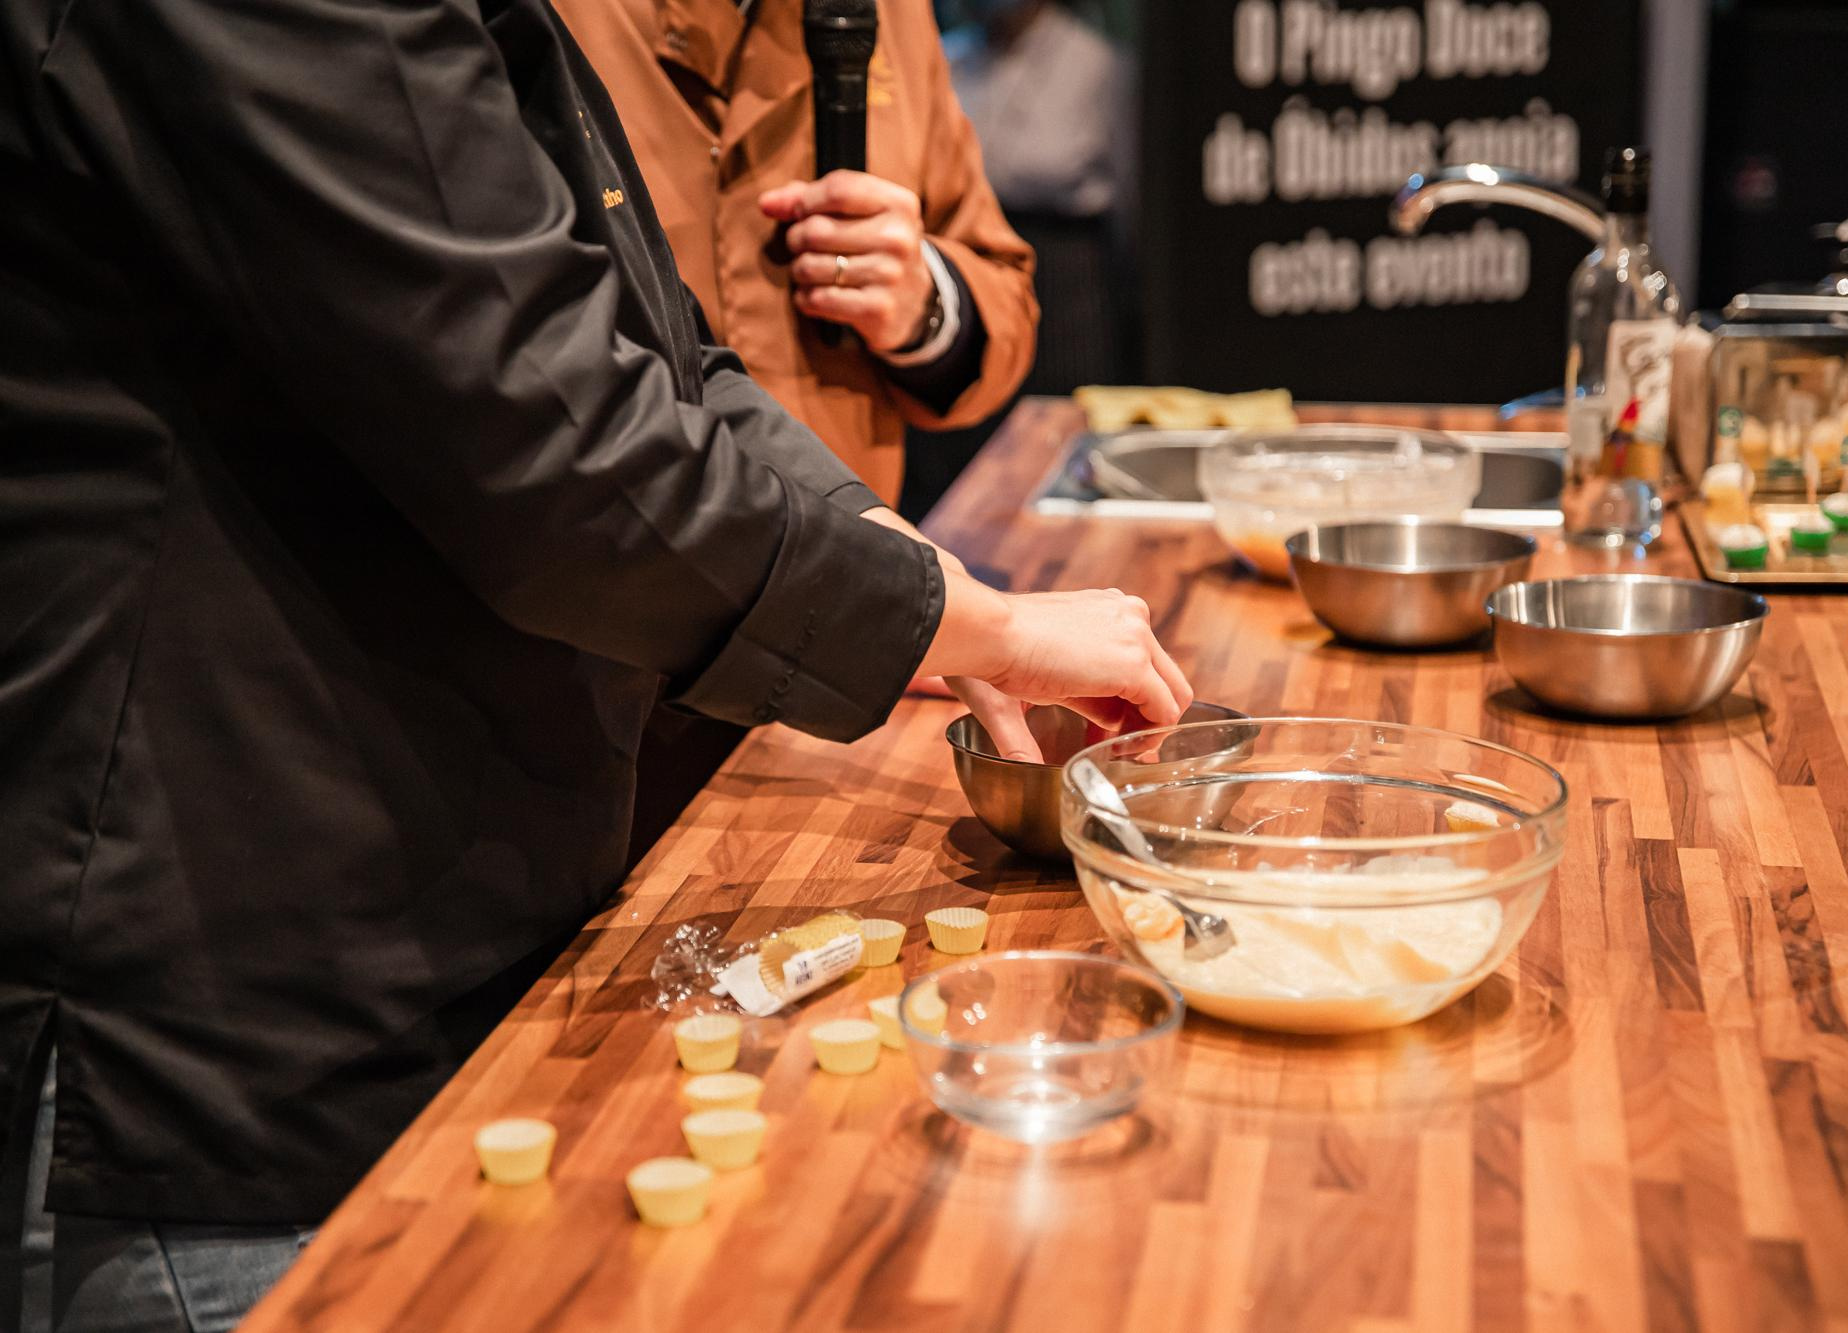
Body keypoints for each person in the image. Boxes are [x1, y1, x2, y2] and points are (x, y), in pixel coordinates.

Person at [0, 0, 1187, 1326]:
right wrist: (984, 627)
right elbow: (558, 441)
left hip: (424, 955)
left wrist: (925, 578)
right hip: (237, 1016)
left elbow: (658, 349)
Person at [553, 0, 1039, 506]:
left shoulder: (895, 12)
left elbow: (1005, 299)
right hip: (620, 541)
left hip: (857, 550)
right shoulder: (548, 16)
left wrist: (925, 303)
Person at [944, 0, 1136, 393]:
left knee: (1062, 408)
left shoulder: (1097, 63)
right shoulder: (946, 59)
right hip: (962, 254)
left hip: (1065, 271)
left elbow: (1131, 195)